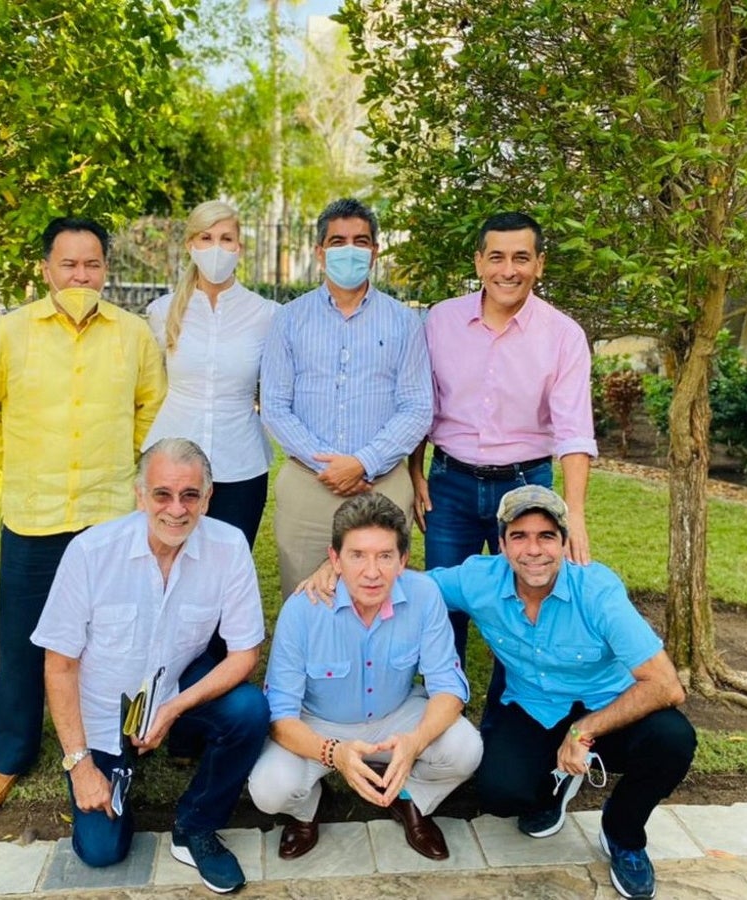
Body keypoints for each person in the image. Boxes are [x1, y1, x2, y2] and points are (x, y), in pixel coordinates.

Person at [0, 216, 166, 811]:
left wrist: (124, 459)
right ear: (46, 268)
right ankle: (11, 754)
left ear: (106, 270)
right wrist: (17, 462)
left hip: (108, 512)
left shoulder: (132, 334)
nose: (81, 275)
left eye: (92, 264)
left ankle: (119, 742)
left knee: (115, 636)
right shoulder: (10, 332)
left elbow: (153, 405)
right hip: (34, 515)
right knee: (21, 641)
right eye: (69, 264)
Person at [427, 485, 696, 900]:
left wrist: (583, 731)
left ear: (565, 542)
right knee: (500, 794)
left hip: (607, 709)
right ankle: (556, 785)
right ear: (502, 544)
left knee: (672, 740)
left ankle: (623, 833)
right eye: (519, 536)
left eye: (546, 536)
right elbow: (410, 586)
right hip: (535, 706)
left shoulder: (598, 591)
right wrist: (335, 574)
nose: (533, 550)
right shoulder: (478, 579)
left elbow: (666, 685)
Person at [30, 438, 269, 893]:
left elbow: (244, 654)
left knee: (249, 711)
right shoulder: (91, 552)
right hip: (102, 713)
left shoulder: (228, 546)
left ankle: (196, 824)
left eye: (190, 495)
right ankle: (116, 769)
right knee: (102, 852)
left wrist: (174, 708)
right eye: (162, 494)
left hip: (172, 689)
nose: (176, 510)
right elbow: (58, 666)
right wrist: (80, 765)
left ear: (207, 498)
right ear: (140, 495)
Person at [409, 211, 597, 725]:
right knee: (442, 606)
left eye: (521, 258)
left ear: (539, 264)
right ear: (478, 262)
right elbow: (420, 405)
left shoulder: (563, 335)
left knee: (526, 606)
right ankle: (439, 723)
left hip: (526, 486)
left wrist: (575, 514)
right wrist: (415, 472)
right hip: (449, 485)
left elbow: (574, 430)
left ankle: (506, 725)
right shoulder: (440, 321)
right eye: (496, 257)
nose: (508, 270)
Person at [249, 493, 483, 862]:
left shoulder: (424, 595)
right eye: (357, 555)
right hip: (320, 723)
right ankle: (308, 809)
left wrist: (415, 741)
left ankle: (409, 797)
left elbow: (448, 687)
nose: (372, 572)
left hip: (397, 714)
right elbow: (279, 716)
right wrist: (333, 753)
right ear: (335, 559)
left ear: (402, 560)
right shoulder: (302, 610)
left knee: (466, 749)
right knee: (268, 789)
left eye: (385, 556)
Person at [260, 198, 432, 600]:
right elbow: (275, 406)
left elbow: (417, 406)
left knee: (379, 600)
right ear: (320, 252)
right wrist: (330, 467)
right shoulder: (289, 319)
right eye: (338, 242)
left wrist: (362, 463)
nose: (349, 250)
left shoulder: (405, 322)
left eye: (360, 241)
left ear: (375, 251)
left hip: (382, 484)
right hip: (309, 484)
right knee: (307, 599)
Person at [143, 200, 278, 551]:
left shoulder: (266, 315)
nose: (216, 248)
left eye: (226, 239)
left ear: (239, 247)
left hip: (241, 465)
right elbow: (148, 389)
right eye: (206, 238)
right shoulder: (162, 312)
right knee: (166, 560)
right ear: (191, 245)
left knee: (229, 563)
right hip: (170, 463)